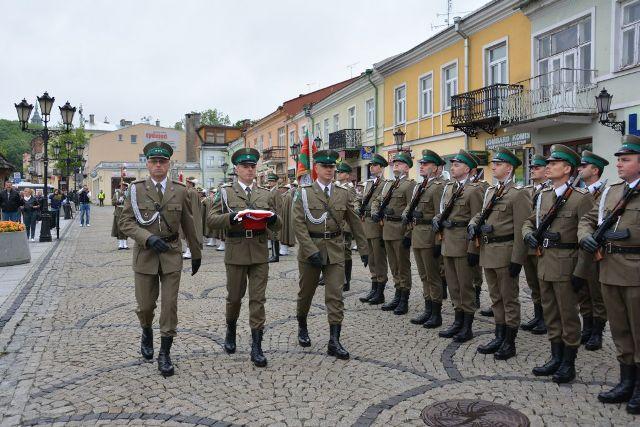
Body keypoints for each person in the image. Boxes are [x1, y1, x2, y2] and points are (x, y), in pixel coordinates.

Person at [119, 141, 202, 377]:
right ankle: (146, 330)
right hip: (145, 254)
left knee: (169, 305)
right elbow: (125, 222)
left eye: (162, 161)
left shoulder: (180, 190)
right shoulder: (135, 190)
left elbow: (189, 223)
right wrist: (146, 238)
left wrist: (196, 253)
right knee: (145, 306)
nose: (158, 165)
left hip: (171, 253)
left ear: (169, 164)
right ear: (147, 164)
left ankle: (164, 353)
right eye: (154, 161)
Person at [579, 134, 640, 413]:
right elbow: (589, 219)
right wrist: (586, 236)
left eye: (626, 160)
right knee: (620, 329)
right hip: (609, 269)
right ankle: (626, 381)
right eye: (618, 160)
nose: (619, 164)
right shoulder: (611, 192)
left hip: (636, 272)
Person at [522, 144, 593, 384]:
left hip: (567, 265)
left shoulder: (581, 199)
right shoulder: (544, 196)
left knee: (568, 315)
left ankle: (568, 363)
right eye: (548, 163)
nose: (548, 167)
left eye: (554, 163)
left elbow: (587, 234)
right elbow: (529, 222)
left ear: (567, 169)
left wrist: (581, 272)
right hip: (544, 262)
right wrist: (528, 233)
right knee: (551, 313)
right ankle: (555, 356)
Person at [207, 148, 281, 367]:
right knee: (234, 297)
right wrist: (231, 217)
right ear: (236, 169)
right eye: (245, 166)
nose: (249, 170)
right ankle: (231, 329)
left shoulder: (265, 194)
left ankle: (256, 346)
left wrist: (273, 218)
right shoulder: (225, 193)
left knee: (258, 299)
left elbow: (279, 224)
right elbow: (211, 220)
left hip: (259, 251)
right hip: (236, 250)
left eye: (252, 166)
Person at [293, 150, 368, 360]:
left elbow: (354, 223)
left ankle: (334, 341)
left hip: (335, 249)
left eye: (332, 167)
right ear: (316, 168)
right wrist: (310, 250)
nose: (329, 170)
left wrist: (364, 250)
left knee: (335, 296)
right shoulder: (304, 192)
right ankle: (302, 326)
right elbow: (298, 224)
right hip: (311, 250)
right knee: (305, 293)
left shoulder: (342, 193)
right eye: (325, 167)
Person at [468, 147, 529, 360]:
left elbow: (522, 228)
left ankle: (509, 341)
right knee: (495, 297)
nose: (493, 166)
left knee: (509, 298)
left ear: (510, 168)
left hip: (505, 253)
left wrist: (517, 259)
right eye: (493, 163)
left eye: (499, 164)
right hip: (488, 251)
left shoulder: (518, 194)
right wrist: (473, 223)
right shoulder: (491, 192)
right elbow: (481, 215)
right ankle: (499, 334)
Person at [432, 149, 484, 343]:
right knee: (453, 286)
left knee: (465, 286)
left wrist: (473, 249)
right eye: (452, 164)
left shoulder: (475, 190)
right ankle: (457, 320)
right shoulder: (449, 188)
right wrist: (438, 220)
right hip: (448, 241)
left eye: (456, 165)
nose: (452, 168)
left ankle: (467, 325)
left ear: (468, 169)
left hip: (463, 244)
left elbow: (476, 220)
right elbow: (443, 211)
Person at [402, 150, 445, 327]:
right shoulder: (422, 186)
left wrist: (437, 241)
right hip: (418, 234)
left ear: (435, 168)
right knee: (423, 275)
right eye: (421, 164)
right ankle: (428, 309)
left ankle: (436, 313)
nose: (422, 166)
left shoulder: (439, 186)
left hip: (429, 235)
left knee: (433, 276)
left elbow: (439, 215)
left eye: (425, 164)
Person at [371, 152, 416, 315]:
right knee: (393, 265)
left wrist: (409, 234)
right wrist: (376, 211)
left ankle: (404, 298)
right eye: (394, 162)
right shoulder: (390, 184)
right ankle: (397, 294)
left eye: (399, 162)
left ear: (407, 167)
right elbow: (377, 200)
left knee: (402, 266)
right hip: (387, 228)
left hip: (400, 229)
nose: (395, 165)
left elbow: (412, 207)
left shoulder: (410, 185)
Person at [574, 150, 609, 351]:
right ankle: (586, 327)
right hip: (581, 247)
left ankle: (597, 332)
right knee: (583, 291)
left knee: (596, 293)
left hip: (596, 251)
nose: (580, 169)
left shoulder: (604, 192)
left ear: (595, 170)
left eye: (584, 166)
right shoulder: (581, 192)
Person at [521, 155, 549, 335]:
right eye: (532, 167)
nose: (532, 170)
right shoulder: (527, 190)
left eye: (537, 167)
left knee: (543, 282)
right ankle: (538, 315)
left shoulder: (551, 191)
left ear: (547, 171)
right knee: (532, 282)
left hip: (542, 244)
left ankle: (547, 318)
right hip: (528, 241)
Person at [358, 154, 390, 304]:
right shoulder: (369, 184)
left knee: (379, 258)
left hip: (377, 226)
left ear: (382, 168)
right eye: (371, 165)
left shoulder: (386, 184)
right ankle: (374, 287)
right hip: (367, 225)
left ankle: (380, 291)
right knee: (371, 258)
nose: (372, 167)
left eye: (375, 165)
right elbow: (363, 200)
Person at [335, 163, 356, 291]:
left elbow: (351, 209)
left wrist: (347, 226)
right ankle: (338, 278)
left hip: (346, 225)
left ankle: (346, 281)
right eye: (338, 172)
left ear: (347, 175)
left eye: (341, 172)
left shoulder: (349, 188)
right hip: (337, 224)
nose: (338, 174)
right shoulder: (336, 187)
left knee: (346, 252)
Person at [181, 177, 203, 259]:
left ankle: (190, 251)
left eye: (187, 182)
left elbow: (192, 206)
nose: (186, 183)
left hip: (192, 215)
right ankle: (189, 250)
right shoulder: (194, 191)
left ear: (190, 183)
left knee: (190, 233)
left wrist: (189, 216)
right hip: (194, 215)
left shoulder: (191, 192)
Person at [266, 172, 282, 263]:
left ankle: (275, 256)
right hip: (271, 216)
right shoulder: (270, 191)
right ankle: (274, 254)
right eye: (269, 181)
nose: (270, 183)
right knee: (272, 237)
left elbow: (279, 206)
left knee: (274, 237)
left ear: (276, 182)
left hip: (275, 217)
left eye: (272, 181)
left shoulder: (277, 192)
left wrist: (277, 218)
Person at [112, 184, 129, 250]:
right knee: (119, 227)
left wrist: (125, 199)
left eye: (125, 186)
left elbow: (130, 202)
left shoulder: (127, 194)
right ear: (120, 187)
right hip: (118, 212)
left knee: (125, 227)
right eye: (122, 186)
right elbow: (113, 202)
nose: (124, 187)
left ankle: (125, 244)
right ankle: (120, 244)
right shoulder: (116, 193)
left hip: (126, 212)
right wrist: (118, 201)